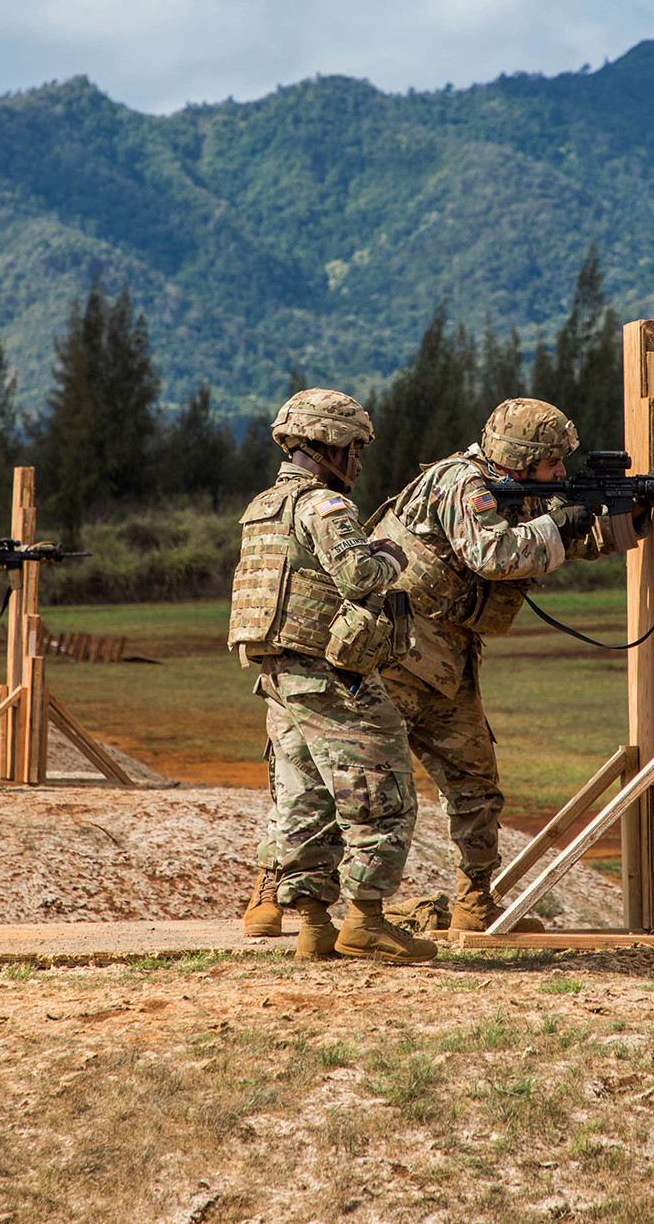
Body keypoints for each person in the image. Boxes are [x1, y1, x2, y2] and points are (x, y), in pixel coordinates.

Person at [379, 397, 622, 932]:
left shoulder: (521, 493)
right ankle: (279, 894)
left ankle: (474, 903)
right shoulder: (459, 483)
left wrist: (638, 514)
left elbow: (573, 539)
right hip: (388, 655)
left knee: (476, 784)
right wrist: (561, 524)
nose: (562, 471)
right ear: (520, 458)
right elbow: (495, 556)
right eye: (553, 461)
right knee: (357, 782)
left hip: (443, 663)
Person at [227, 388, 434, 966]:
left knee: (305, 797)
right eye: (356, 449)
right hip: (329, 675)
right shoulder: (325, 507)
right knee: (381, 790)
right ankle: (366, 921)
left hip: (278, 676)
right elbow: (361, 575)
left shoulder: (262, 507)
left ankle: (314, 927)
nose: (360, 463)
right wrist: (393, 552)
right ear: (329, 445)